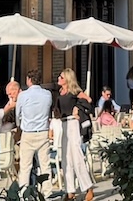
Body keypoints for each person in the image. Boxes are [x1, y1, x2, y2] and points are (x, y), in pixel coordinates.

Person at [54, 68, 95, 201]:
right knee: (66, 159)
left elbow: (88, 101)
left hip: (73, 124)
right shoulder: (61, 92)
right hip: (64, 124)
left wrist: (78, 108)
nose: (58, 78)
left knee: (77, 157)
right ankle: (70, 190)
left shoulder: (75, 92)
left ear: (67, 78)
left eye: (61, 76)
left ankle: (88, 187)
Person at [14, 69, 54, 194]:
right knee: (45, 165)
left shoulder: (23, 95)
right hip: (43, 131)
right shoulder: (47, 94)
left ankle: (23, 193)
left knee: (25, 167)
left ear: (29, 80)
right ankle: (47, 193)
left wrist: (20, 125)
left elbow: (17, 115)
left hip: (28, 132)